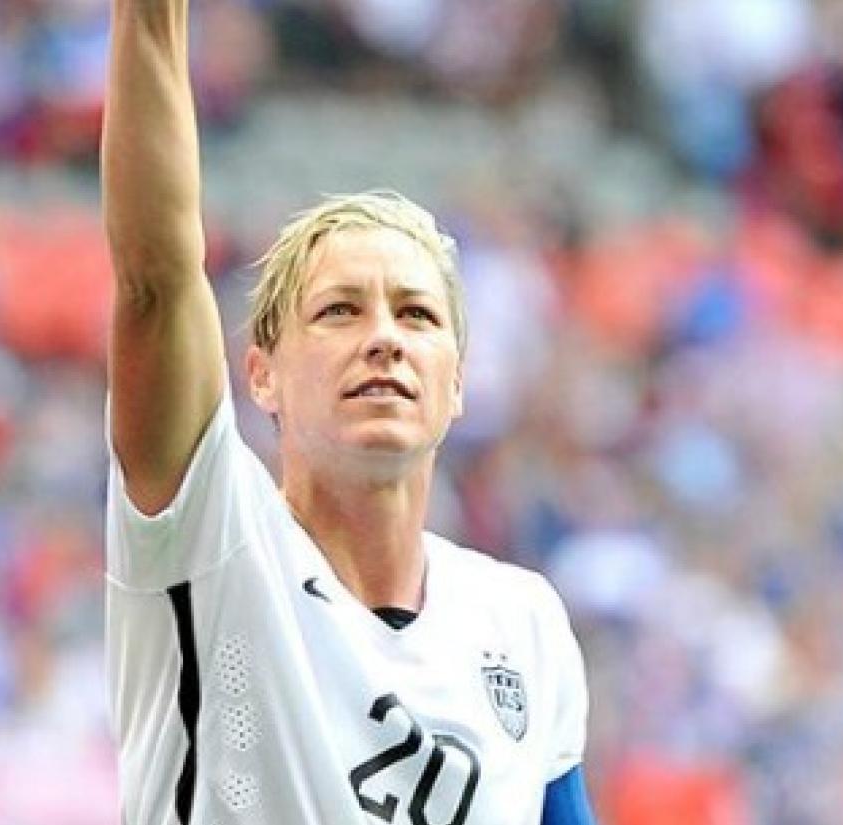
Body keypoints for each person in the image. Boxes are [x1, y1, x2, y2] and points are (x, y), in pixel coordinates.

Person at [97, 0, 593, 822]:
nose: (385, 339)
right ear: (259, 375)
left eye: (418, 314)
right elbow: (155, 277)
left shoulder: (525, 622)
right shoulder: (213, 542)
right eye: (338, 311)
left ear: (459, 380)